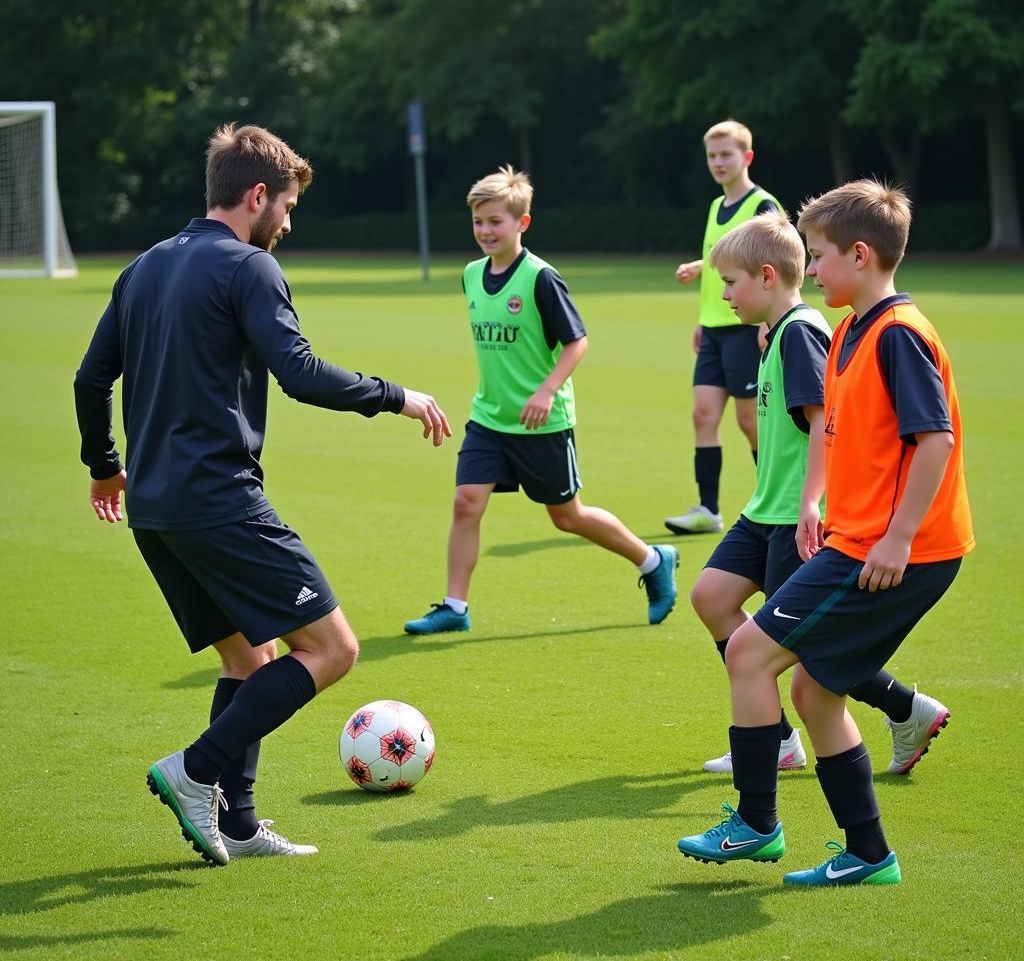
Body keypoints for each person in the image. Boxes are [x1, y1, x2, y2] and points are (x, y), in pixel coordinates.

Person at [74, 123, 452, 866]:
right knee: (334, 649)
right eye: (286, 205)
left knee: (251, 657)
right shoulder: (249, 268)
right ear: (256, 196)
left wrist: (103, 464)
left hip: (154, 508)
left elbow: (91, 379)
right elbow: (301, 373)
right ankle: (194, 770)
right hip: (219, 499)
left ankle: (238, 825)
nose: (289, 221)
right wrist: (398, 396)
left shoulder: (143, 267)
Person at [676, 179, 973, 886]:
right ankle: (869, 855)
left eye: (819, 256)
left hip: (898, 547)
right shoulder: (848, 329)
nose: (812, 270)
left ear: (860, 255)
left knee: (749, 655)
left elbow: (934, 440)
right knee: (812, 690)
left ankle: (756, 823)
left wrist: (896, 539)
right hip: (856, 537)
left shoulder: (899, 334)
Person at [691, 212, 950, 777]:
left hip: (796, 516)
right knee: (713, 599)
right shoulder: (783, 332)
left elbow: (821, 427)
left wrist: (811, 503)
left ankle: (900, 711)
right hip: (767, 509)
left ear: (764, 277)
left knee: (804, 644)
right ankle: (792, 737)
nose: (725, 295)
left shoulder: (806, 333)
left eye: (730, 283)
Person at [404, 165, 678, 635]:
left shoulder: (540, 278)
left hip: (542, 423)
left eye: (496, 221)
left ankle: (653, 560)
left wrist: (546, 391)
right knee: (466, 503)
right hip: (489, 417)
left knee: (566, 517)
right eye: (479, 222)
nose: (486, 231)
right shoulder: (471, 276)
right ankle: (454, 607)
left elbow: (578, 342)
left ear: (522, 224)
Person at [666, 119, 781, 535]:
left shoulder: (763, 207)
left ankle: (776, 501)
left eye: (726, 154)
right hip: (714, 328)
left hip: (747, 329)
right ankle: (707, 510)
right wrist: (701, 305)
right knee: (703, 415)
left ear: (746, 157)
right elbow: (727, 260)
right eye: (712, 155)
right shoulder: (717, 207)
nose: (717, 162)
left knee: (751, 423)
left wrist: (769, 323)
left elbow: (778, 265)